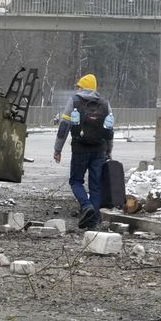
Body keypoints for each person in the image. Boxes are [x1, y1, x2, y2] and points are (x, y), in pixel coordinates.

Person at [53, 73, 115, 229]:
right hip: (99, 150)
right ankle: (93, 224)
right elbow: (109, 128)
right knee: (96, 186)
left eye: (78, 87)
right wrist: (109, 150)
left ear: (81, 87)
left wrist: (57, 149)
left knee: (75, 181)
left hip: (80, 148)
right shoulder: (105, 104)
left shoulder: (74, 101)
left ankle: (86, 206)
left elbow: (64, 126)